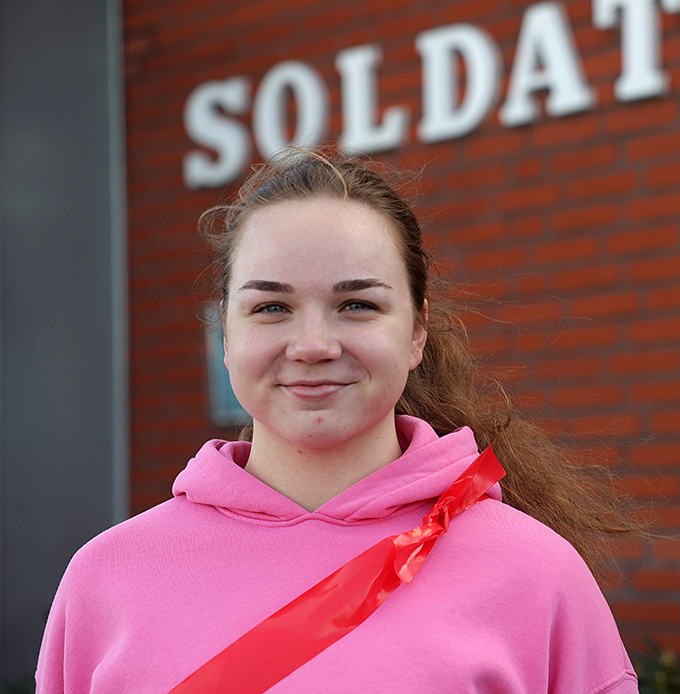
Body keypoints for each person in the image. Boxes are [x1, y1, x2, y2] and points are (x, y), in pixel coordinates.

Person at [37, 148, 645, 693]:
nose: (312, 345)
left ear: (417, 332)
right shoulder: (105, 580)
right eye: (271, 307)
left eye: (357, 304)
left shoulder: (537, 573)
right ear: (226, 334)